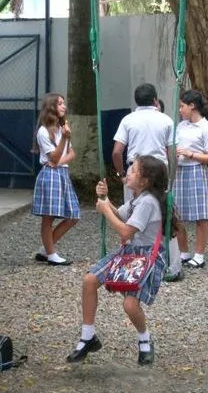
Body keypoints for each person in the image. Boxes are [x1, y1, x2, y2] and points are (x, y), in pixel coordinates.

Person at [67, 155, 178, 365]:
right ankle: (88, 336)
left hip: (145, 257)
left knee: (130, 304)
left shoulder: (148, 202)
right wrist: (105, 199)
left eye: (134, 170)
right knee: (90, 280)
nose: (128, 171)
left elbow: (125, 231)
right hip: (129, 252)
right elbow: (120, 214)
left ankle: (145, 340)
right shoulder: (137, 198)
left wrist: (105, 210)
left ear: (145, 181)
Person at [112, 84, 182, 280]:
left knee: (131, 216)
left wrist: (122, 175)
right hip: (159, 172)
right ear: (155, 101)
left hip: (135, 172)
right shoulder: (166, 120)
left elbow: (117, 151)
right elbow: (172, 152)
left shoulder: (128, 120)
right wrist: (171, 177)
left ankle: (133, 263)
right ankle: (172, 266)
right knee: (166, 218)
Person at [31, 93, 79, 266]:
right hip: (50, 176)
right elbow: (54, 156)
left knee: (73, 216)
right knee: (48, 217)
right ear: (51, 107)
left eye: (63, 104)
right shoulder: (43, 132)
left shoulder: (62, 127)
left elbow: (71, 153)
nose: (63, 107)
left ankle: (45, 249)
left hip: (61, 173)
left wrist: (58, 163)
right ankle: (51, 254)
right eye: (59, 104)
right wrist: (64, 140)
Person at [171, 90, 208, 269]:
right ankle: (184, 252)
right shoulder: (181, 126)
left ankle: (199, 255)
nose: (180, 110)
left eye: (182, 106)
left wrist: (191, 154)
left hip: (198, 171)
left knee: (201, 216)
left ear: (192, 106)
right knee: (177, 215)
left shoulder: (207, 128)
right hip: (180, 171)